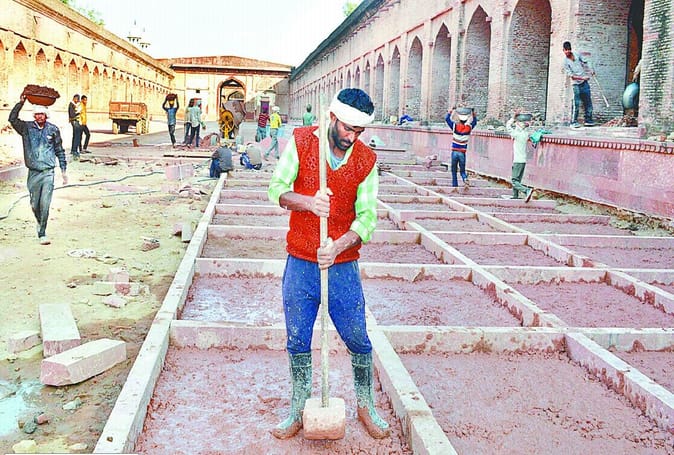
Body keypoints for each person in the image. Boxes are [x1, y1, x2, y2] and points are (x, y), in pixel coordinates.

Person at [268, 88, 390, 440]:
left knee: (357, 337)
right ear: (332, 118)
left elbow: (367, 218)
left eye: (359, 131)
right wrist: (309, 202)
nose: (352, 137)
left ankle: (365, 406)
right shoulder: (302, 142)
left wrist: (337, 246)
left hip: (342, 266)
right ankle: (298, 408)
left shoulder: (366, 161)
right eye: (347, 129)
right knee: (298, 337)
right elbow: (276, 189)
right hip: (300, 262)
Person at [9, 96, 68, 245]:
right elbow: (12, 119)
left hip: (48, 172)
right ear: (34, 115)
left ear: (46, 115)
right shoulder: (26, 128)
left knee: (45, 204)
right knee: (35, 204)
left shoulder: (53, 129)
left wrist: (63, 170)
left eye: (42, 114)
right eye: (37, 114)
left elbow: (59, 150)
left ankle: (42, 233)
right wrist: (21, 102)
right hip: (34, 173)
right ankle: (39, 221)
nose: (39, 116)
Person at [504, 109, 535, 202]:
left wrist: (513, 118)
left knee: (514, 181)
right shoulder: (525, 134)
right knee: (518, 180)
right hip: (523, 160)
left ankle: (526, 190)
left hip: (518, 160)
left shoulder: (517, 134)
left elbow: (508, 126)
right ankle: (515, 195)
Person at [563, 41, 595, 128]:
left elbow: (586, 61)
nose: (567, 52)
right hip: (576, 84)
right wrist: (583, 78)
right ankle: (573, 122)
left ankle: (588, 120)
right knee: (576, 103)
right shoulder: (565, 62)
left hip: (584, 83)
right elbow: (572, 77)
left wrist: (591, 69)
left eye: (569, 50)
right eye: (566, 50)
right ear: (563, 50)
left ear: (571, 49)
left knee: (588, 101)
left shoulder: (577, 55)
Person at [445, 107, 478, 188]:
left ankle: (455, 186)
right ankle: (465, 178)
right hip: (462, 153)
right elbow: (474, 122)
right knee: (462, 170)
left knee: (454, 170)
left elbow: (447, 119)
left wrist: (450, 111)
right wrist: (473, 113)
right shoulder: (469, 128)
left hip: (454, 152)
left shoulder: (455, 127)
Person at [68, 94, 82, 160]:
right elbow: (72, 114)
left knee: (76, 136)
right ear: (74, 98)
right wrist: (78, 113)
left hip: (76, 121)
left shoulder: (74, 105)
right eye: (76, 99)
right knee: (77, 136)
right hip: (74, 121)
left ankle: (74, 149)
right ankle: (74, 150)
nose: (77, 101)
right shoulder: (71, 105)